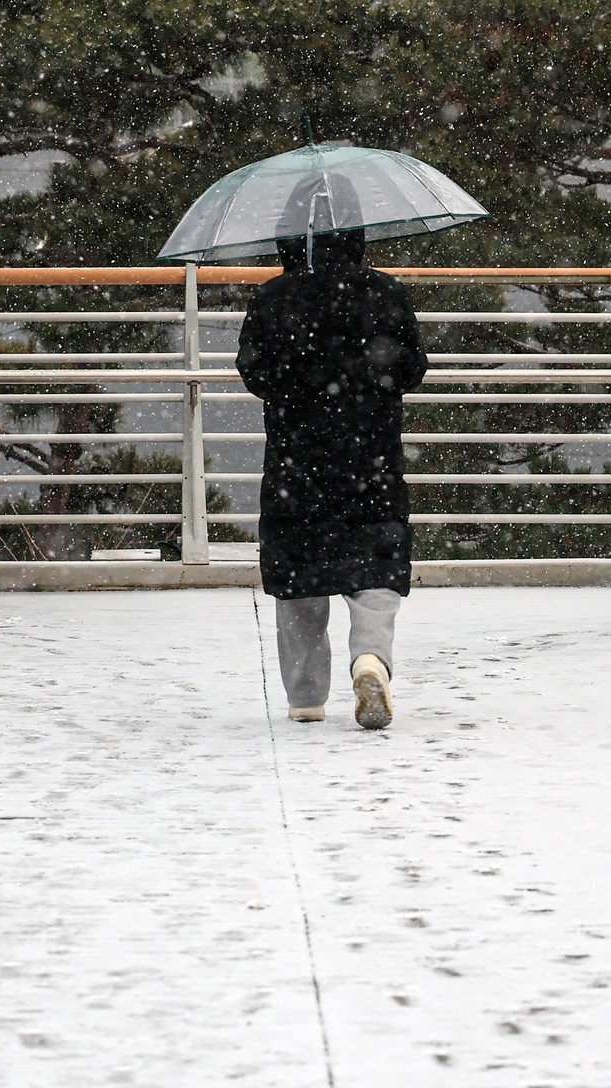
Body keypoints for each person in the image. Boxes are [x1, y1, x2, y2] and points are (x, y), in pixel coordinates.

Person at [236, 172, 429, 731]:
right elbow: (412, 370)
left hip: (298, 465)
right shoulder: (386, 292)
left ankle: (305, 698)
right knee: (376, 569)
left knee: (299, 578)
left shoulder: (272, 297)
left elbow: (256, 374)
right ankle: (369, 659)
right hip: (370, 463)